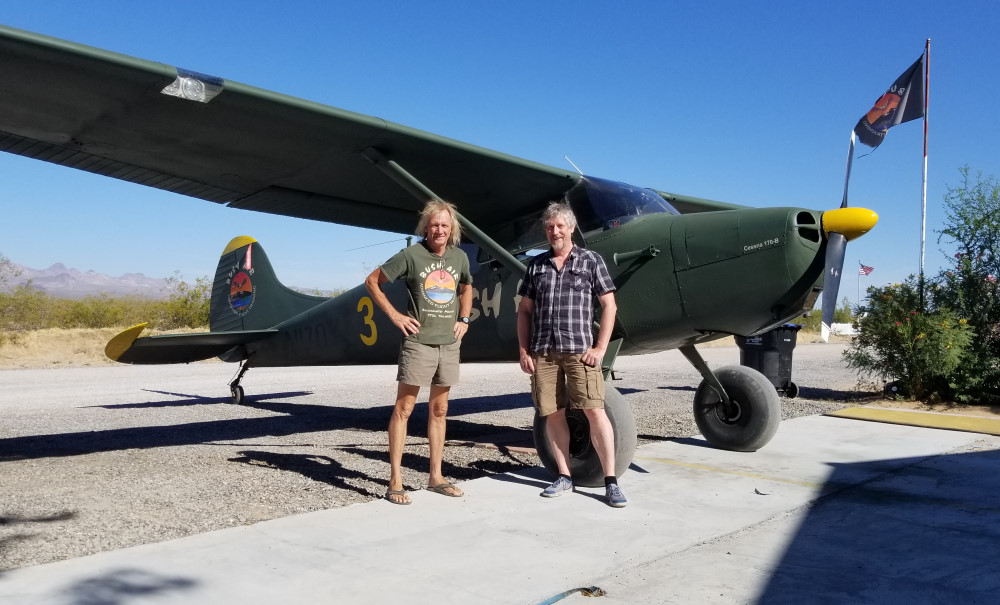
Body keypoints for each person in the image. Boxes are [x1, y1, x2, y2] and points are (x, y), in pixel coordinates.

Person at [516, 201, 627, 507]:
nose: (554, 231)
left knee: (594, 411)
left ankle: (611, 480)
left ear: (571, 228)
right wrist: (524, 350)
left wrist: (600, 348)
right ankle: (564, 475)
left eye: (560, 226)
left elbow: (610, 305)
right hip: (544, 353)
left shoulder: (591, 261)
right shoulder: (535, 266)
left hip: (580, 352)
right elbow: (525, 311)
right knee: (551, 413)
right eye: (550, 227)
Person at [364, 200, 473, 505]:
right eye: (435, 225)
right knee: (404, 409)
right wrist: (395, 316)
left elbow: (466, 287)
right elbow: (373, 281)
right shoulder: (412, 255)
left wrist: (464, 319)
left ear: (452, 229)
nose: (439, 230)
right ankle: (395, 480)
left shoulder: (459, 257)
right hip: (418, 343)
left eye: (445, 225)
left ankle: (435, 477)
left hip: (448, 344)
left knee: (440, 411)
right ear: (426, 227)